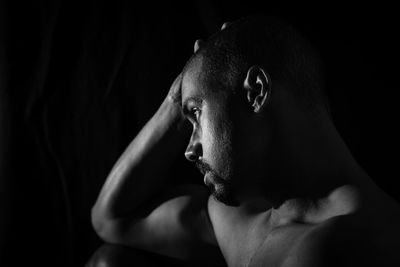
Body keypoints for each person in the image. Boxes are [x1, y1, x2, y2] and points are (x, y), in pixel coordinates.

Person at [91, 16, 400, 267]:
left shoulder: (363, 243)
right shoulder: (243, 221)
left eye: (196, 114)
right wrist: (180, 95)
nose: (189, 149)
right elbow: (111, 218)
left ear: (255, 93)